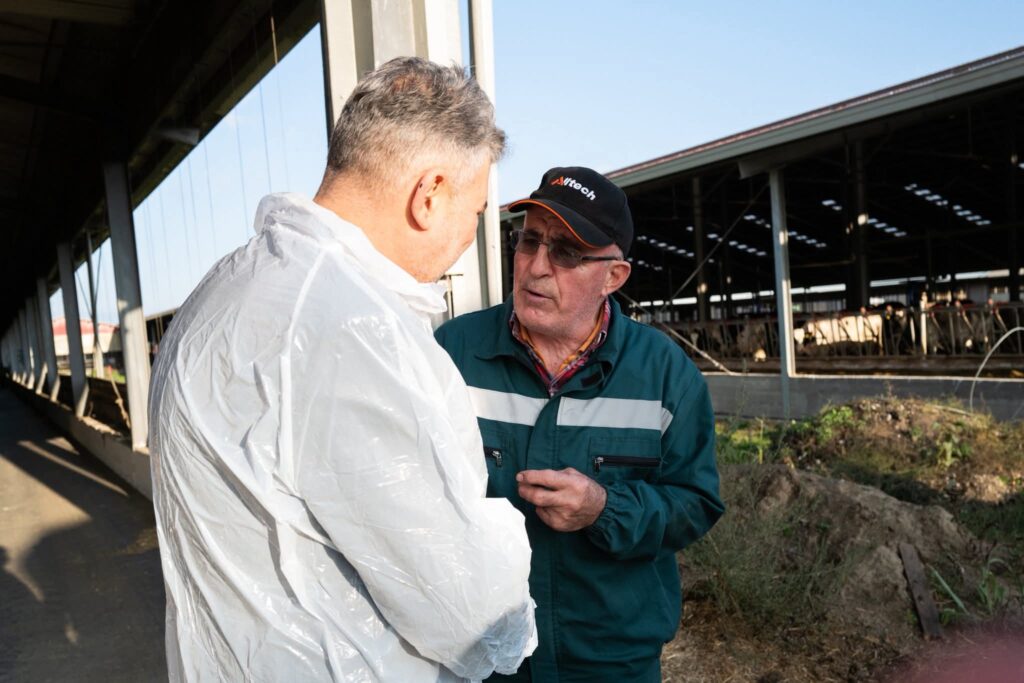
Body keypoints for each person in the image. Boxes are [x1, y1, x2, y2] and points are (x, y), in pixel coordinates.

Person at [148, 57, 536, 682]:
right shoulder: (352, 329)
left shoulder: (222, 290)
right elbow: (467, 609)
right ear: (429, 194)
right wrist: (505, 535)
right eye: (475, 211)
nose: (471, 235)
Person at [435, 166, 724, 682]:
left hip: (610, 659)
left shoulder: (665, 376)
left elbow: (695, 503)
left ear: (614, 277)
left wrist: (604, 509)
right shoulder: (453, 354)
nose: (536, 268)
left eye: (567, 253)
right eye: (529, 241)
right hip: (482, 657)